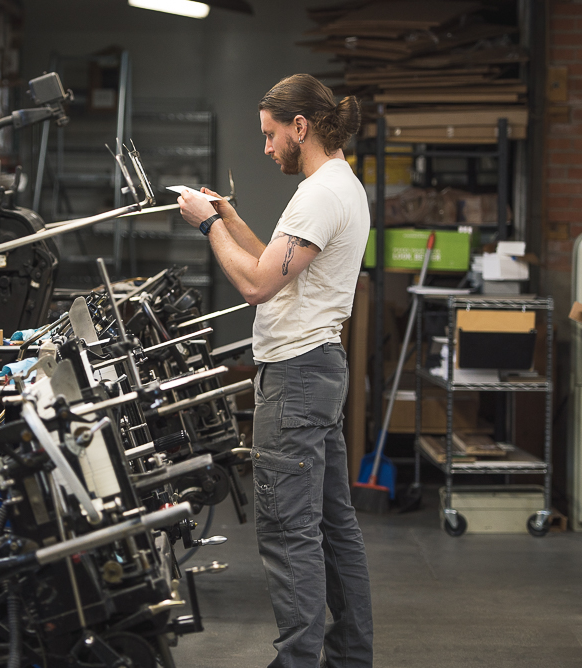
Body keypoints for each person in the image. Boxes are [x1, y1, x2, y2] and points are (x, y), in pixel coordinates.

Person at [177, 73, 373, 668]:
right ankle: (348, 658)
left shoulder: (320, 193)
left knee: (289, 533)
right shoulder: (340, 185)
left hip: (294, 378)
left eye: (269, 136)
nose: (266, 148)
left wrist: (207, 227)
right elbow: (277, 262)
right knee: (335, 531)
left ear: (300, 127)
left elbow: (257, 283)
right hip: (316, 372)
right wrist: (230, 218)